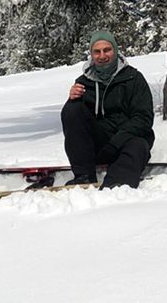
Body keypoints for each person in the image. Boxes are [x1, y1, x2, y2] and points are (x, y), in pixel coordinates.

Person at [61, 29, 155, 188]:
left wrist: (116, 143)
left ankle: (117, 184)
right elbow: (77, 122)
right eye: (97, 52)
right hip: (100, 144)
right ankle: (84, 176)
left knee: (138, 144)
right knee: (71, 111)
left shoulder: (134, 79)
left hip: (127, 141)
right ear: (91, 55)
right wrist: (72, 101)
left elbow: (143, 118)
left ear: (115, 50)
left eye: (107, 50)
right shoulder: (84, 82)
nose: (102, 55)